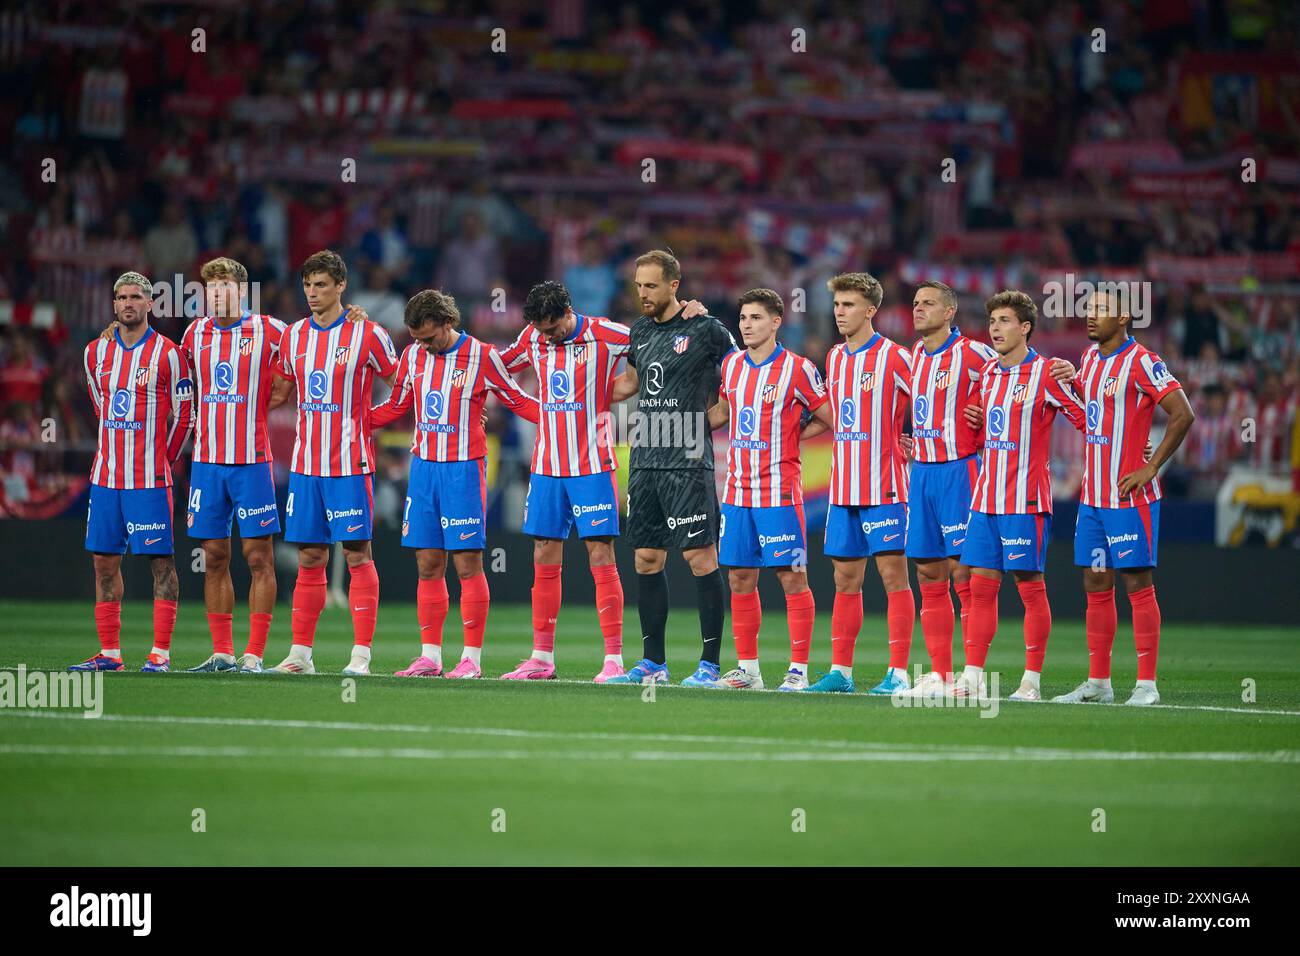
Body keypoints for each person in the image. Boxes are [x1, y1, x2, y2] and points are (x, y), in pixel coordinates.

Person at [370, 289, 538, 679]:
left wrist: (560, 417)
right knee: (428, 563)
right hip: (424, 470)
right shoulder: (413, 355)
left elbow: (516, 399)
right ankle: (430, 656)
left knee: (467, 564)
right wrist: (354, 419)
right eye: (417, 339)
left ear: (448, 323)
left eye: (429, 338)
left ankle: (471, 660)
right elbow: (397, 405)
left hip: (463, 470)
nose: (423, 346)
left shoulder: (482, 355)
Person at [1053, 292, 1195, 706]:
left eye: (1100, 310)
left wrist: (1152, 467)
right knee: (1096, 583)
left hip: (1130, 498)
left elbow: (1182, 413)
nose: (1091, 317)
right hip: (1093, 499)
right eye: (1088, 309)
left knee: (1137, 583)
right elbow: (1099, 408)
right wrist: (1071, 375)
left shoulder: (1143, 361)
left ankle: (1146, 684)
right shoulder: (1091, 359)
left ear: (1125, 315)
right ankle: (1099, 682)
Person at [263, 250, 399, 676]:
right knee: (309, 558)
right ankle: (300, 655)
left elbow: (405, 385)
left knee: (357, 555)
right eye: (307, 285)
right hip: (305, 467)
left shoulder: (368, 333)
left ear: (341, 285)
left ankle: (361, 656)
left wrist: (370, 421)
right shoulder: (294, 336)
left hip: (349, 465)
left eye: (321, 285)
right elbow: (281, 388)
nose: (313, 293)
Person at [605, 249, 735, 687]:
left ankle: (710, 665)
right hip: (645, 461)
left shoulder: (706, 328)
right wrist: (583, 388)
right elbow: (632, 383)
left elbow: (742, 377)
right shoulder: (639, 330)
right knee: (645, 558)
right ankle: (652, 662)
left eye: (651, 285)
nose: (642, 293)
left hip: (688, 462)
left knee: (700, 557)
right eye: (638, 285)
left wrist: (705, 422)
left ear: (674, 285)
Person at [955, 291, 1087, 702]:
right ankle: (973, 676)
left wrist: (1134, 449)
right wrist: (975, 424)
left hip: (1025, 500)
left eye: (1005, 320)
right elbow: (985, 438)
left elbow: (1085, 418)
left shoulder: (1046, 373)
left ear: (1025, 327)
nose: (995, 328)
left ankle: (1031, 681)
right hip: (986, 499)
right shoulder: (990, 374)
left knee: (1030, 586)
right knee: (980, 588)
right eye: (992, 320)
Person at [496, 281, 630, 681]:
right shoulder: (531, 337)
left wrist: (613, 392)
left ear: (568, 311)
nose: (547, 337)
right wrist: (527, 407)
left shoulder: (607, 334)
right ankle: (542, 658)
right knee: (543, 552)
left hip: (592, 465)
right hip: (546, 467)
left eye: (552, 329)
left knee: (600, 554)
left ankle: (614, 660)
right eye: (540, 331)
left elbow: (653, 343)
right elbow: (497, 367)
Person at [708, 289, 834, 691]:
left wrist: (795, 435)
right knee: (741, 579)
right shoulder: (731, 366)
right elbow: (724, 411)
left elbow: (828, 415)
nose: (746, 324)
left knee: (792, 578)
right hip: (737, 493)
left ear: (776, 322)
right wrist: (683, 423)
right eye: (743, 317)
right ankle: (749, 671)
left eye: (756, 318)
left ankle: (798, 670)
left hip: (779, 493)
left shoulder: (797, 368)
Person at [799, 272, 915, 695]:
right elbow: (831, 414)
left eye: (848, 305)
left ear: (871, 310)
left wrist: (921, 438)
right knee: (845, 581)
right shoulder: (836, 357)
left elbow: (934, 402)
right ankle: (841, 673)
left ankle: (899, 673)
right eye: (837, 305)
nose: (840, 313)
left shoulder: (896, 356)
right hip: (843, 488)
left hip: (885, 486)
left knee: (893, 577)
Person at [71, 272, 193, 673]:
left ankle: (160, 653)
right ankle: (110, 653)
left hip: (149, 481)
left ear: (150, 303)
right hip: (106, 479)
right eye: (121, 297)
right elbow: (98, 403)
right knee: (104, 564)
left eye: (136, 297)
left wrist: (165, 458)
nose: (128, 303)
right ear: (113, 304)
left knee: (161, 564)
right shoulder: (95, 353)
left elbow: (186, 415)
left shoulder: (169, 353)